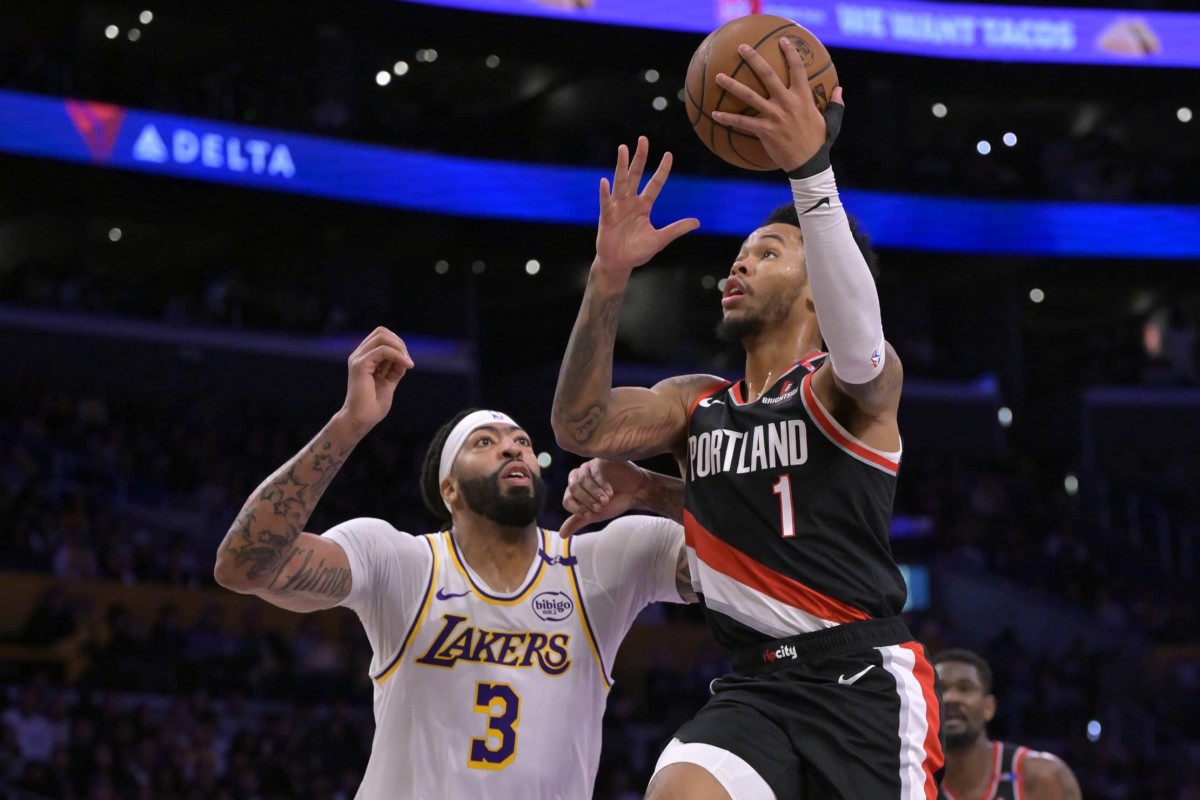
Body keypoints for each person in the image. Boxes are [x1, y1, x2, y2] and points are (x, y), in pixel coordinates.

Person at [551, 36, 942, 800]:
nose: (738, 263)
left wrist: (810, 173)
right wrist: (608, 278)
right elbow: (582, 427)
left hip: (860, 679)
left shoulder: (850, 389)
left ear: (815, 288)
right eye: (741, 253)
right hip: (755, 689)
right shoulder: (699, 403)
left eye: (766, 253)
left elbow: (860, 352)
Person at [213, 326, 694, 800]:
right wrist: (350, 423)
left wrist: (650, 489)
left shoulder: (603, 562)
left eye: (522, 441)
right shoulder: (400, 561)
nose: (512, 447)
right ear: (450, 490)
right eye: (483, 442)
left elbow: (756, 553)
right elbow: (246, 566)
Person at [934, 649, 1082, 800]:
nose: (950, 698)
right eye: (940, 689)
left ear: (989, 707)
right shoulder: (913, 785)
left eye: (964, 688)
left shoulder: (1044, 777)